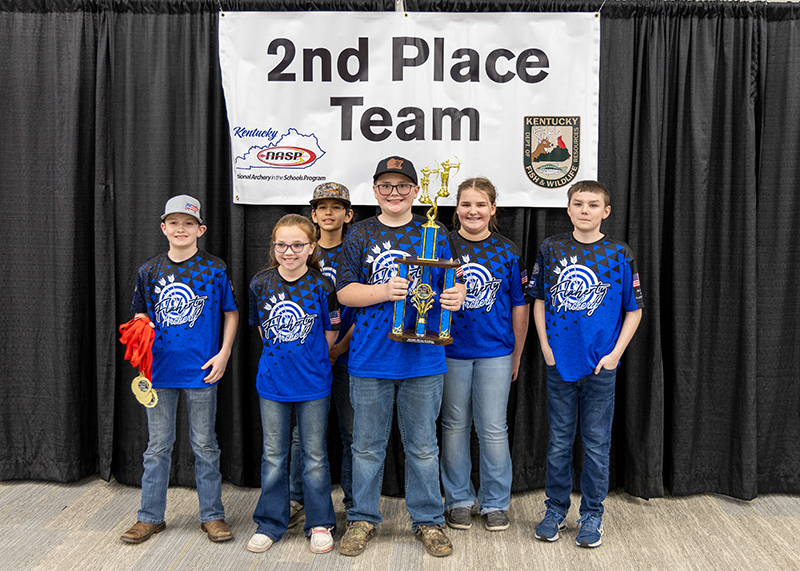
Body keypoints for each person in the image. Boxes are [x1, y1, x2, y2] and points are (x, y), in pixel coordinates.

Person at [335, 156, 466, 558]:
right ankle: (361, 518)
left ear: (415, 191)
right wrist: (383, 292)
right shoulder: (359, 234)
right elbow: (343, 293)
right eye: (386, 186)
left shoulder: (435, 232)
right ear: (374, 190)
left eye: (403, 186)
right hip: (370, 357)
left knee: (424, 447)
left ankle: (428, 520)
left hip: (423, 359)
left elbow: (452, 282)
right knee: (367, 446)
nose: (394, 193)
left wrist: (456, 298)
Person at [530, 180, 644, 548]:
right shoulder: (552, 248)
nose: (584, 210)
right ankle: (555, 510)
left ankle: (592, 515)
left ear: (605, 211)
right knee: (560, 442)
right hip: (559, 363)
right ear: (568, 209)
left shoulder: (619, 254)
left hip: (601, 368)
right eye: (578, 203)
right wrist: (546, 347)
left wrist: (615, 355)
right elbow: (539, 300)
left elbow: (634, 309)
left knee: (596, 444)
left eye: (593, 205)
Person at [121, 195, 238, 545]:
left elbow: (230, 313)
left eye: (188, 223)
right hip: (159, 372)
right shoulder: (149, 270)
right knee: (158, 446)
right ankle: (150, 517)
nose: (180, 229)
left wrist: (224, 353)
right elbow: (140, 314)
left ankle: (212, 516)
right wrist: (142, 335)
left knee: (205, 444)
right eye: (174, 223)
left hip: (202, 370)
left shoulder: (215, 268)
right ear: (163, 228)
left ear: (200, 228)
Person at [246, 214, 339, 554]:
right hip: (272, 383)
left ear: (310, 247)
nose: (289, 251)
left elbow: (331, 333)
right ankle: (270, 522)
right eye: (282, 245)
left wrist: (309, 358)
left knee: (314, 455)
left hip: (313, 383)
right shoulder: (260, 283)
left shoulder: (322, 286)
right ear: (273, 247)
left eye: (297, 245)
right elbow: (262, 331)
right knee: (273, 455)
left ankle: (319, 522)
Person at [440, 177, 529, 533]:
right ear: (456, 209)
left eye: (480, 204)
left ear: (493, 208)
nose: (472, 211)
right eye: (466, 204)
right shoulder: (440, 245)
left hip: (496, 352)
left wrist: (517, 354)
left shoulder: (508, 251)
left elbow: (519, 307)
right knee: (454, 427)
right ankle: (459, 499)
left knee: (493, 428)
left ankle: (495, 502)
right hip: (450, 351)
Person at [288, 182, 356, 528]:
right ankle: (296, 498)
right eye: (321, 208)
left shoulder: (356, 250)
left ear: (349, 214)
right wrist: (318, 351)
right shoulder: (299, 252)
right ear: (312, 215)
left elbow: (364, 311)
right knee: (303, 435)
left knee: (350, 432)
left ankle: (353, 502)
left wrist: (338, 347)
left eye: (336, 207)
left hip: (347, 356)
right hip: (307, 359)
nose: (329, 213)